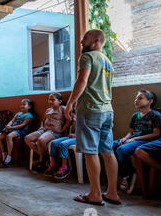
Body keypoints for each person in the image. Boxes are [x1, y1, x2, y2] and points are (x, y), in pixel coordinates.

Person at [64, 29, 120, 206]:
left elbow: (82, 81)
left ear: (96, 41)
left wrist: (70, 103)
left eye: (85, 38)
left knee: (90, 152)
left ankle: (95, 194)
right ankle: (112, 193)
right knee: (108, 152)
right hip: (107, 111)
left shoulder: (87, 57)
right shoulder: (108, 62)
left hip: (90, 110)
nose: (81, 42)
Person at [113, 90, 161, 192]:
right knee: (110, 146)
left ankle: (127, 175)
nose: (136, 100)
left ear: (150, 101)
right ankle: (122, 173)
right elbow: (131, 132)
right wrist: (126, 138)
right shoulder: (135, 116)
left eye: (140, 98)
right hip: (133, 139)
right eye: (136, 98)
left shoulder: (155, 115)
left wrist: (134, 139)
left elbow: (156, 134)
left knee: (122, 150)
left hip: (144, 141)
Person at [24, 93, 70, 173]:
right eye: (49, 99)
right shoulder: (48, 110)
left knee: (41, 141)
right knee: (27, 138)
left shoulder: (62, 108)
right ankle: (45, 157)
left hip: (54, 131)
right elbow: (43, 120)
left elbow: (69, 119)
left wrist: (62, 130)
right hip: (44, 130)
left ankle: (41, 161)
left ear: (60, 101)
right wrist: (41, 127)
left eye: (53, 100)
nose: (50, 101)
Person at [0, 99, 34, 167]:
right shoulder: (18, 113)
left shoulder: (29, 115)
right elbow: (12, 121)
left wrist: (11, 128)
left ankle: (9, 156)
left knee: (9, 136)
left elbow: (22, 125)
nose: (22, 106)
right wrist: (8, 125)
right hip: (12, 129)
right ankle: (3, 153)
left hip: (20, 130)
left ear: (29, 107)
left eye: (24, 104)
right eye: (21, 104)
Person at [45, 110, 76, 179]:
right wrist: (73, 121)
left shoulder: (86, 117)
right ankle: (53, 165)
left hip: (80, 138)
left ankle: (64, 168)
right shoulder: (73, 115)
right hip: (71, 136)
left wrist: (75, 135)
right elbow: (72, 130)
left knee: (63, 144)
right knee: (53, 143)